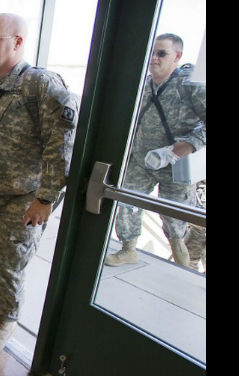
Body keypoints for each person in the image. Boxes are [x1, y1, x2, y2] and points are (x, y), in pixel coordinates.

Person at [0, 13, 78, 353]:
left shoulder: (40, 86)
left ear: (17, 43)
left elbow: (63, 144)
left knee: (8, 261)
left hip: (25, 196)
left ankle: (7, 318)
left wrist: (46, 198)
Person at [104, 33, 206, 268]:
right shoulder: (144, 84)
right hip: (142, 160)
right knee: (127, 201)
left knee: (174, 217)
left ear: (177, 56)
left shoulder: (189, 84)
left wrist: (187, 146)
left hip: (175, 165)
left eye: (162, 53)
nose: (154, 58)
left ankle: (182, 260)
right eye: (152, 52)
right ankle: (128, 249)